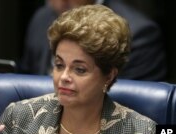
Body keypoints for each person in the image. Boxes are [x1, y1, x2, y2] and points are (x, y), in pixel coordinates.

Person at [0, 5, 156, 134]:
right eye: (59, 65)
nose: (64, 77)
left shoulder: (144, 132)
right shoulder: (18, 117)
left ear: (109, 76)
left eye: (79, 69)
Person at [20, 0, 167, 81]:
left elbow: (134, 104)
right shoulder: (41, 19)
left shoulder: (139, 33)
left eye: (80, 69)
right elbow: (27, 78)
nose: (59, 4)